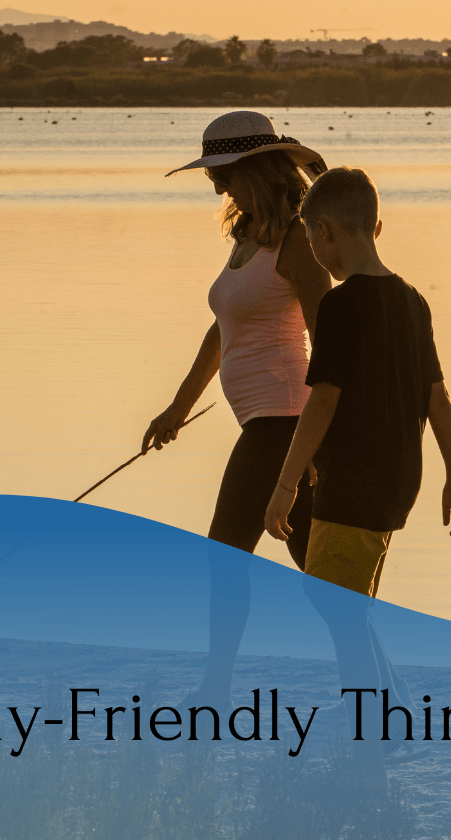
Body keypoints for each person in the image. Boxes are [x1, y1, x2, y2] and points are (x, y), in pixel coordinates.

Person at [263, 167, 451, 778]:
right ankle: (390, 710)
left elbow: (322, 401)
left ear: (327, 232)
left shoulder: (340, 305)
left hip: (351, 482)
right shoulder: (413, 301)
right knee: (345, 603)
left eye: (312, 241)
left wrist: (284, 483)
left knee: (338, 611)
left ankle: (369, 740)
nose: (317, 255)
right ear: (373, 226)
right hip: (397, 482)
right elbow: (438, 397)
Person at [146, 110, 331, 706]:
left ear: (257, 168)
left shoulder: (300, 239)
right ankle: (386, 683)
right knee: (318, 570)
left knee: (226, 554)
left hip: (285, 419)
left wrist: (333, 424)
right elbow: (222, 328)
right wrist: (176, 407)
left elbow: (329, 334)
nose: (217, 186)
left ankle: (215, 685)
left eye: (223, 172)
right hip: (264, 420)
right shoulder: (249, 236)